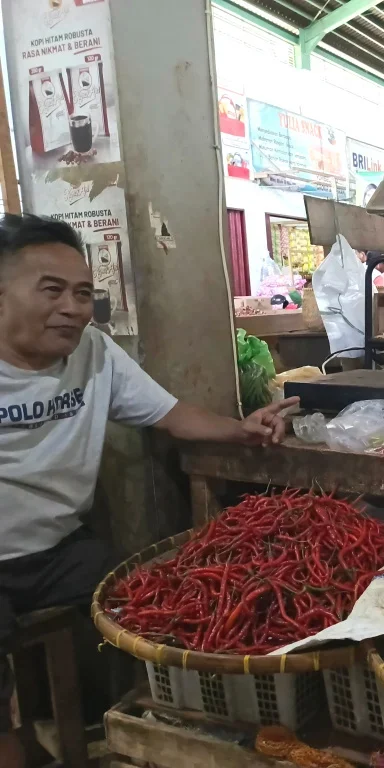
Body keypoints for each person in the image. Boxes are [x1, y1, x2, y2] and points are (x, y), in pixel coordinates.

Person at [0, 214, 299, 768]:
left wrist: (242, 429)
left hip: (60, 549)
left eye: (83, 293)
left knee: (153, 603)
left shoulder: (94, 352)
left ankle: (132, 727)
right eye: (52, 290)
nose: (72, 307)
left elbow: (170, 414)